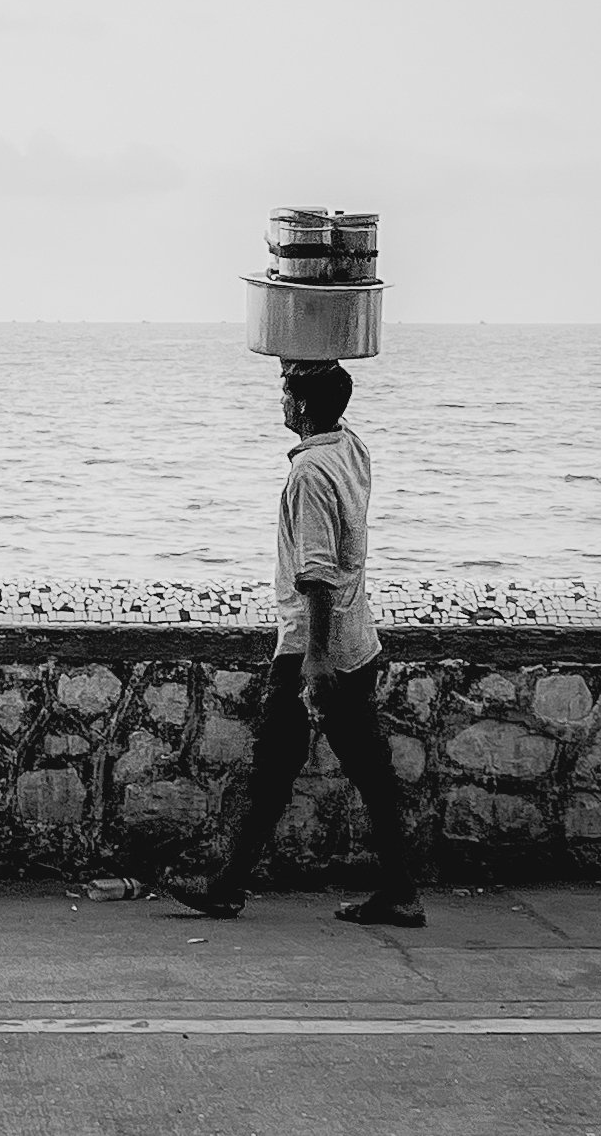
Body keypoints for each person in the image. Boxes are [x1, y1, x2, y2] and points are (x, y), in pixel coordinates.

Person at [167, 359, 423, 927]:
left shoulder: (309, 474)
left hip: (318, 648)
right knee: (359, 772)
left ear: (303, 406)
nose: (281, 402)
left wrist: (314, 660)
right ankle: (396, 889)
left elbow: (316, 571)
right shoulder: (351, 449)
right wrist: (304, 353)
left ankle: (229, 887)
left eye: (287, 393)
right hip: (358, 640)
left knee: (276, 769)